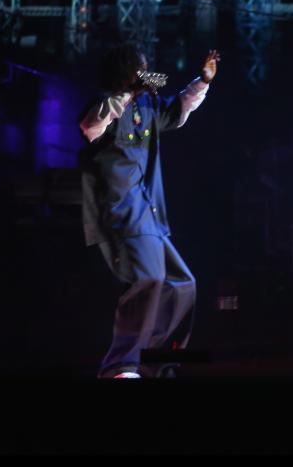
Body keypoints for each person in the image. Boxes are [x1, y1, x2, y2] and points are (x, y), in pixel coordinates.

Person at [78, 43, 220, 379]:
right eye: (140, 68)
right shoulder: (105, 102)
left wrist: (202, 81)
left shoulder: (147, 103)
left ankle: (154, 362)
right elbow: (90, 127)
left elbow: (178, 111)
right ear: (126, 71)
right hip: (121, 208)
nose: (146, 72)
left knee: (181, 283)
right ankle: (121, 365)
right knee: (150, 279)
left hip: (150, 211)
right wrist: (128, 92)